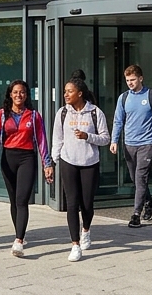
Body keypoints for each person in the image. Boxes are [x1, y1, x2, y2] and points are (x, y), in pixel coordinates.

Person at [0, 80, 54, 257]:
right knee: (14, 200)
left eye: (22, 92)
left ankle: (18, 240)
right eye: (15, 92)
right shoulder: (2, 115)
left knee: (22, 200)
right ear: (10, 94)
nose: (19, 95)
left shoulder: (33, 116)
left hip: (27, 158)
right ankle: (21, 233)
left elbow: (41, 140)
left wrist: (47, 164)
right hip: (8, 158)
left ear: (26, 95)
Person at [52, 71, 111, 262]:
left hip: (89, 162)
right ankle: (75, 244)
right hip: (68, 161)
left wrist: (88, 136)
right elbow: (57, 138)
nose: (66, 95)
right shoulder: (62, 113)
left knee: (87, 204)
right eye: (65, 92)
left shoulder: (95, 112)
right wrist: (53, 160)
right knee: (71, 203)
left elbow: (105, 139)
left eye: (70, 91)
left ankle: (86, 229)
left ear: (80, 93)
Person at [110, 64, 152, 228]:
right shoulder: (123, 98)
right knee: (136, 179)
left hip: (147, 143)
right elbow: (118, 121)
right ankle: (150, 204)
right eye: (127, 80)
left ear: (140, 78)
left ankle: (136, 214)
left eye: (132, 79)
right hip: (129, 144)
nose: (130, 83)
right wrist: (114, 140)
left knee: (140, 178)